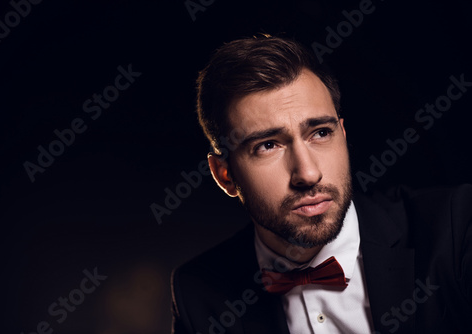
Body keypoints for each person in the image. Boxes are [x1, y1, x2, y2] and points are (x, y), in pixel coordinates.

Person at [170, 35, 472, 334]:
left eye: (320, 133)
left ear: (342, 134)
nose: (308, 173)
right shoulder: (198, 293)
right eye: (268, 145)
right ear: (225, 175)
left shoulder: (456, 227)